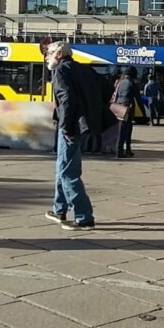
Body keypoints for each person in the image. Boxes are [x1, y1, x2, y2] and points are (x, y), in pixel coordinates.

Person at [43, 41, 100, 231]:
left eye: (49, 53)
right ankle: (59, 209)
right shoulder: (81, 68)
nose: (47, 56)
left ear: (59, 54)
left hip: (70, 126)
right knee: (63, 166)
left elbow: (66, 99)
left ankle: (84, 217)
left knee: (68, 171)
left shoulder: (60, 71)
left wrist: (67, 127)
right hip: (80, 124)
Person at [112, 66, 143, 158]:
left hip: (119, 106)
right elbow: (137, 98)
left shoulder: (120, 83)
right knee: (127, 130)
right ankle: (123, 151)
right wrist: (142, 110)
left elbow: (115, 95)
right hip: (128, 108)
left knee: (121, 129)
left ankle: (120, 150)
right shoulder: (132, 83)